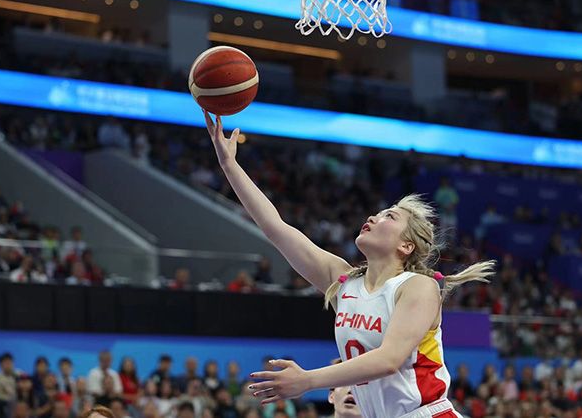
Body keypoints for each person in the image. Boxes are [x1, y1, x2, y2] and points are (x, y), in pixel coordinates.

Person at [204, 112, 495, 418]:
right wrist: (229, 165)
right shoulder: (344, 281)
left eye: (389, 216)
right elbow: (275, 228)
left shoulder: (418, 286)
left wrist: (307, 380)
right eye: (377, 213)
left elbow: (389, 360)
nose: (373, 217)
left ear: (406, 246)